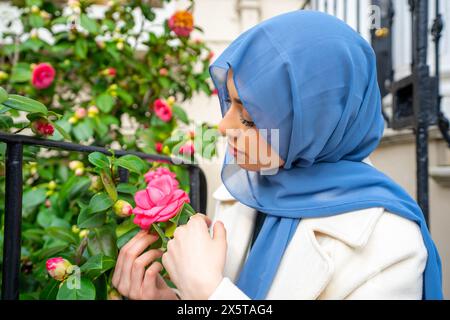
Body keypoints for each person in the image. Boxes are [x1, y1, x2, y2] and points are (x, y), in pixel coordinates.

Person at [111, 10, 443, 300]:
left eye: (249, 116)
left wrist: (210, 295)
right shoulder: (245, 187)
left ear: (316, 122)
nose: (223, 126)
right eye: (230, 102)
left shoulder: (391, 246)